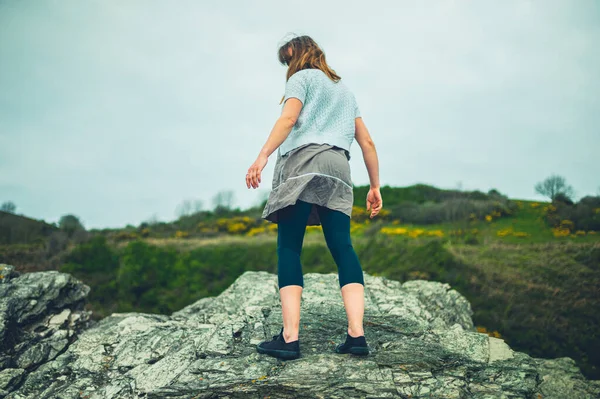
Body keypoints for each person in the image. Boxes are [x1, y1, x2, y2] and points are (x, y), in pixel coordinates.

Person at [245, 35, 382, 360]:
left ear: (297, 54)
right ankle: (356, 335)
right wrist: (375, 186)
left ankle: (290, 338)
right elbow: (367, 142)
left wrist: (262, 156)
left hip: (304, 163)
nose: (286, 66)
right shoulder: (345, 92)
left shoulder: (301, 79)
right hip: (338, 167)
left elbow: (289, 119)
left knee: (290, 246)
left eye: (286, 59)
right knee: (343, 247)